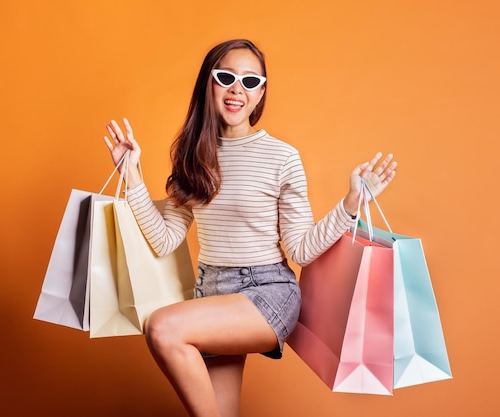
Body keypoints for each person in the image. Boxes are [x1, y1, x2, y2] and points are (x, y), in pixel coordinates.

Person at [102, 39, 397, 417]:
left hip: (267, 291)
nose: (237, 89)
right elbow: (164, 240)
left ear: (261, 94)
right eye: (226, 77)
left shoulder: (282, 157)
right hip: (212, 293)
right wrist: (132, 177)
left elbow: (302, 249)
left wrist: (352, 202)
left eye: (250, 81)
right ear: (208, 84)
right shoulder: (193, 158)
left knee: (162, 327)